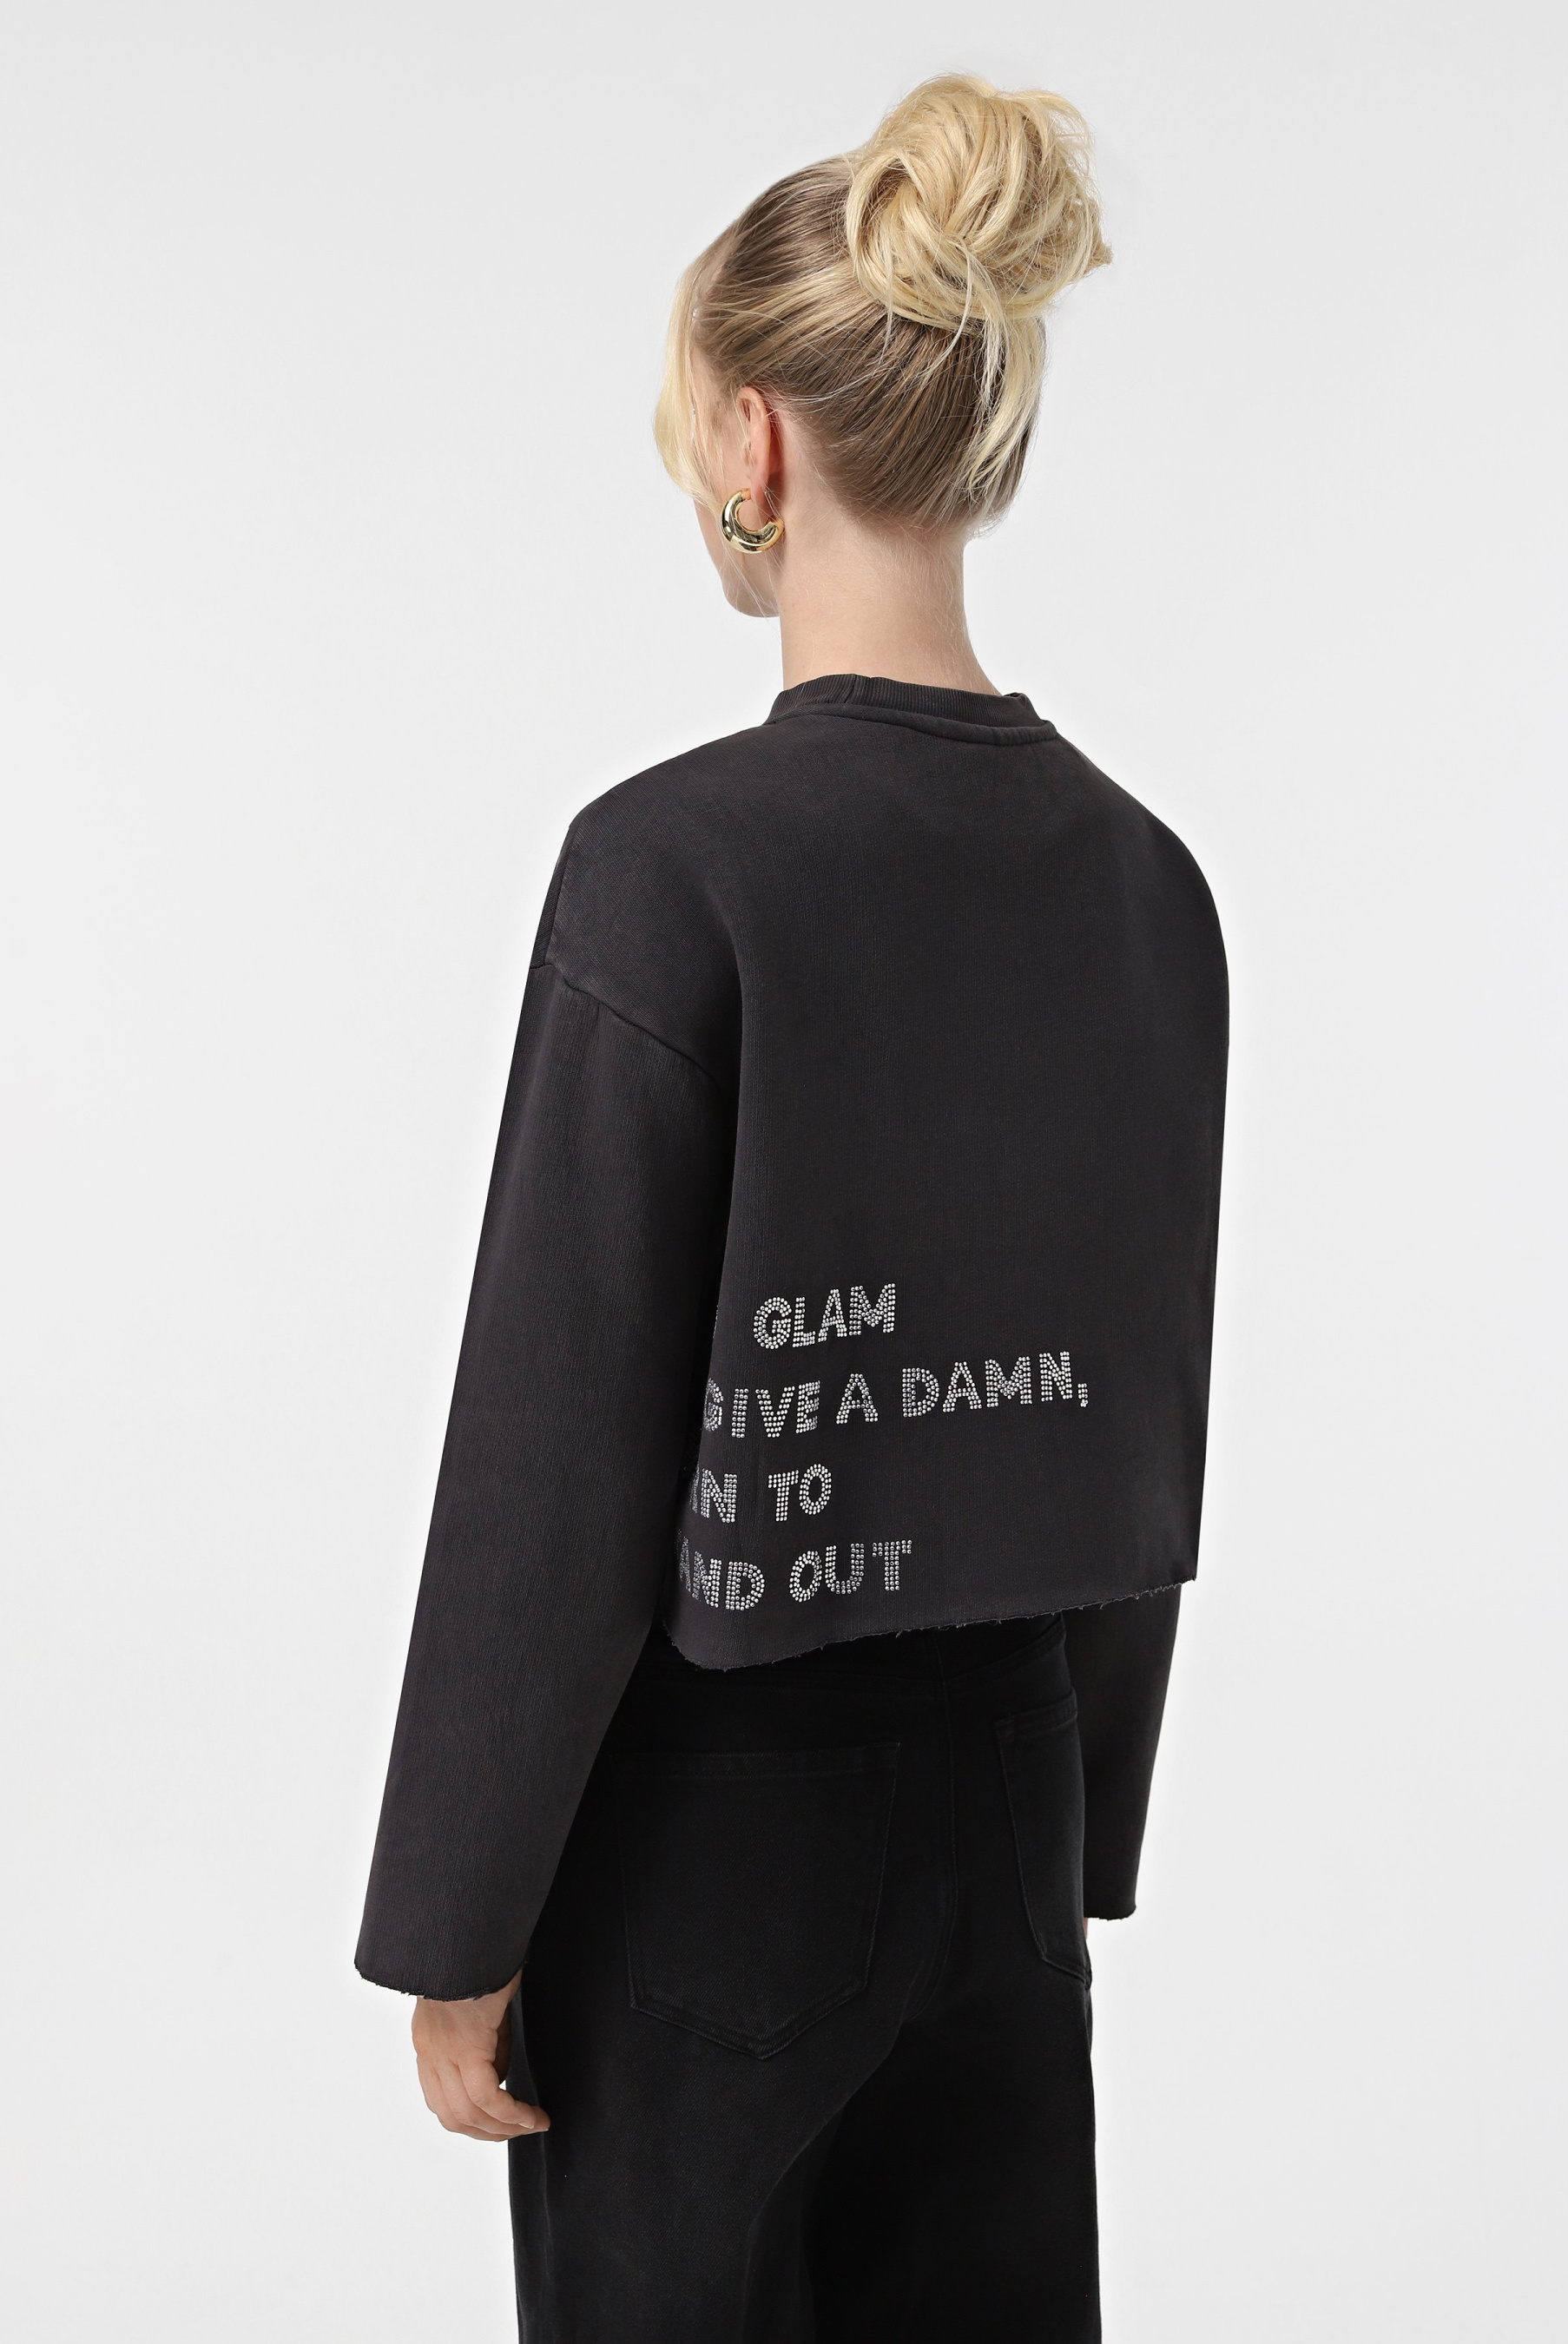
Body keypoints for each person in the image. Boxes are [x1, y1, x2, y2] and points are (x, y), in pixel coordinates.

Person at [357, 73, 1228, 2342]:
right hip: (1008, 1816)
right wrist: (1081, 1822)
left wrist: (459, 1915)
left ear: (753, 441)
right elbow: (1136, 1389)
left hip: (705, 1856)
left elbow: (559, 1435)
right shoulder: (1146, 887)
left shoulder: (671, 873)